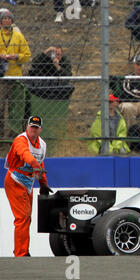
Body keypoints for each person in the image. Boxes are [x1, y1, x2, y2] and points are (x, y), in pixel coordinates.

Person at [4, 116, 52, 257]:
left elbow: (41, 164)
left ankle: (22, 250)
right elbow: (24, 154)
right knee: (23, 217)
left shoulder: (42, 145)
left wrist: (43, 183)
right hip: (15, 180)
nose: (33, 130)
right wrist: (34, 164)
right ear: (27, 127)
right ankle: (21, 253)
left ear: (40, 129)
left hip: (28, 182)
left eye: (36, 127)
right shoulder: (20, 140)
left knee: (26, 218)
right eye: (31, 127)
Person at [0, 10, 31, 137]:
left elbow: (27, 55)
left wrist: (16, 56)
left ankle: (14, 136)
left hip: (16, 78)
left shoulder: (19, 36)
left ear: (12, 21)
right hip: (1, 78)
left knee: (16, 109)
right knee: (0, 108)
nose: (7, 20)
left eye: (9, 18)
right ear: (1, 21)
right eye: (4, 18)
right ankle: (0, 136)